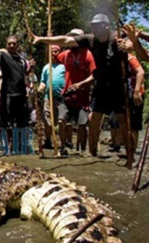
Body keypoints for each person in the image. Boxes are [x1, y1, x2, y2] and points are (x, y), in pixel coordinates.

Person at [33, 13, 134, 167]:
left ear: (106, 26)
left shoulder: (117, 37)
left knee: (123, 121)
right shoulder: (90, 39)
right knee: (93, 120)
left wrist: (127, 46)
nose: (93, 28)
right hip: (101, 84)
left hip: (118, 85)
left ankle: (130, 155)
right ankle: (92, 154)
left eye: (97, 26)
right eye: (92, 25)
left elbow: (132, 43)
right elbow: (66, 40)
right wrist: (42, 39)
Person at [56, 28, 96, 153]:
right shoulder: (66, 54)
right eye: (72, 38)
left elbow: (95, 74)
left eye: (76, 38)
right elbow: (53, 58)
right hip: (66, 95)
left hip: (82, 96)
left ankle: (82, 150)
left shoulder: (88, 54)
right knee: (61, 121)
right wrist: (49, 42)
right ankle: (63, 147)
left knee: (82, 125)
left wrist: (81, 84)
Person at [37, 45, 66, 153]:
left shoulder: (64, 66)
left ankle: (63, 145)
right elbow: (43, 81)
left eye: (56, 51)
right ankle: (48, 141)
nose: (54, 53)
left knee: (61, 121)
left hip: (61, 98)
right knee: (47, 121)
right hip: (48, 98)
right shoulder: (46, 67)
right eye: (52, 52)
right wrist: (40, 88)